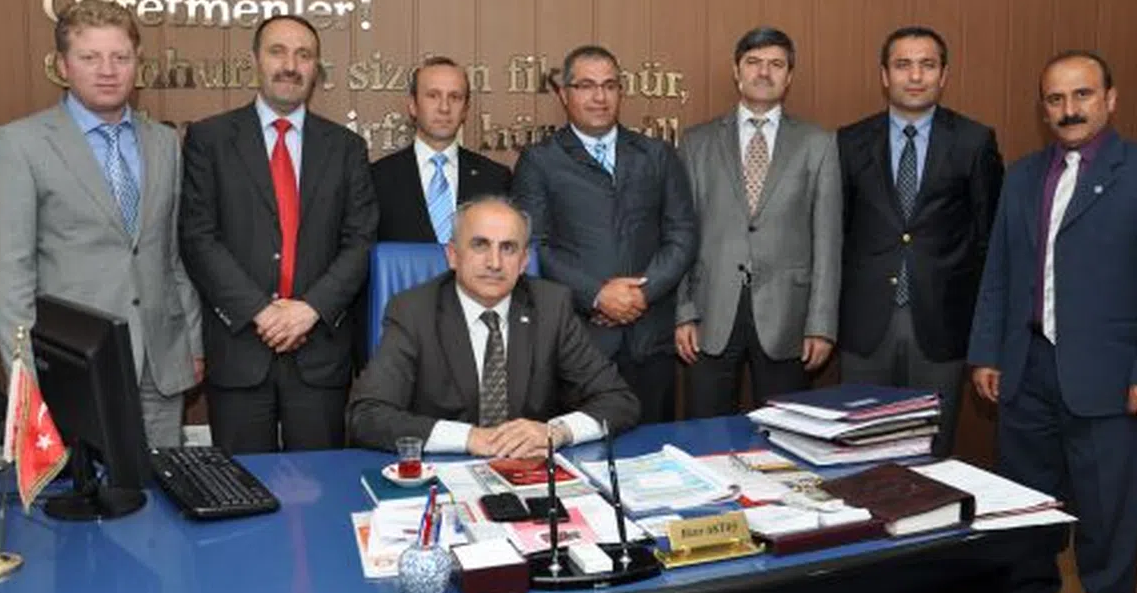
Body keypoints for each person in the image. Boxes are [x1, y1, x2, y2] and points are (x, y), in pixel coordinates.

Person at [967, 50, 1137, 593]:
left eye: (1082, 94)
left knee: (1107, 520)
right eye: (1056, 99)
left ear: (1109, 99)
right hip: (1026, 371)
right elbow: (999, 272)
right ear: (1043, 108)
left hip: (1110, 379)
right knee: (1024, 514)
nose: (1069, 109)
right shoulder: (1022, 176)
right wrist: (986, 353)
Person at [0, 0, 201, 448]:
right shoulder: (18, 145)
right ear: (62, 66)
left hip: (161, 369)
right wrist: (28, 377)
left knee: (164, 488)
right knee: (84, 493)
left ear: (137, 63)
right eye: (90, 57)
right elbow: (7, 277)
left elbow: (171, 256)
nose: (107, 71)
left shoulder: (164, 143)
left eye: (121, 57)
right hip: (73, 368)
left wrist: (192, 343)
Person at [179, 14, 378, 453]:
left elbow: (360, 241)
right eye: (278, 52)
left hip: (319, 352)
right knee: (240, 486)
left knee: (321, 486)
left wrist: (310, 309)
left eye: (303, 55)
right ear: (255, 60)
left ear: (316, 68)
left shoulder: (346, 148)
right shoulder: (210, 139)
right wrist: (260, 312)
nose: (290, 65)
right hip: (239, 349)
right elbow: (198, 237)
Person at [349, 196, 638, 457]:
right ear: (453, 255)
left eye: (508, 248)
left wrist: (557, 432)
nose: (495, 262)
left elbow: (618, 400)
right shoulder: (413, 311)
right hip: (443, 472)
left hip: (529, 473)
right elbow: (366, 415)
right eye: (480, 245)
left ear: (524, 261)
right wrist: (468, 438)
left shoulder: (551, 306)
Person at [836, 26, 1003, 457]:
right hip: (865, 324)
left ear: (943, 75)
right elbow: (837, 232)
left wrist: (988, 334)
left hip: (942, 324)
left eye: (927, 65)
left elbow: (989, 241)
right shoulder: (849, 142)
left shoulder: (974, 141)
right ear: (884, 75)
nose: (915, 76)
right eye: (903, 65)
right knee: (860, 450)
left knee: (931, 449)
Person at [514, 45, 697, 423]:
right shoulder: (540, 160)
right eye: (586, 86)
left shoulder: (657, 154)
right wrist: (598, 295)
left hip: (651, 339)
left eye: (610, 85)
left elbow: (682, 234)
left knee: (655, 451)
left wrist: (640, 294)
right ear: (564, 94)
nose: (600, 97)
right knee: (583, 451)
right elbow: (534, 246)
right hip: (579, 341)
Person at [675, 26, 841, 417]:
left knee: (787, 434)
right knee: (706, 431)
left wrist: (821, 324)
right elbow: (681, 232)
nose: (764, 72)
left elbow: (828, 240)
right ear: (737, 71)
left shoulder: (818, 143)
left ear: (789, 76)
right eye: (753, 62)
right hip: (710, 313)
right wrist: (683, 311)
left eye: (776, 64)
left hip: (789, 316)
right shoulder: (697, 142)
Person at [372, 56, 512, 242]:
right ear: (413, 105)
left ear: (465, 109)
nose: (444, 108)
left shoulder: (495, 178)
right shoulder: (377, 178)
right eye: (433, 95)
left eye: (455, 97)